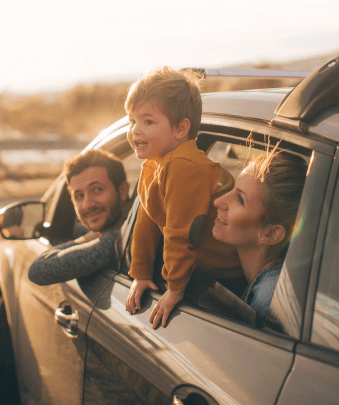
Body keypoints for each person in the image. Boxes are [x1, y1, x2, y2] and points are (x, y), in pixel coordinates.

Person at [124, 67, 242, 329]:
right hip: (206, 270)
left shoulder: (182, 166)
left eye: (148, 122)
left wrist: (175, 289)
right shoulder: (155, 164)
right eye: (132, 121)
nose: (135, 131)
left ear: (180, 129)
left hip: (230, 275)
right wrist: (141, 273)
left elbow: (180, 233)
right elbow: (147, 219)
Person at [212, 148, 308, 316]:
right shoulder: (274, 281)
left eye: (239, 199)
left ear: (271, 234)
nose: (218, 201)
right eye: (233, 188)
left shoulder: (268, 300)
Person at [28, 149, 131, 285]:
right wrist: (93, 236)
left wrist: (89, 237)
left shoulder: (120, 242)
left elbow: (38, 270)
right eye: (79, 196)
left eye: (97, 189)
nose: (87, 205)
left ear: (123, 190)